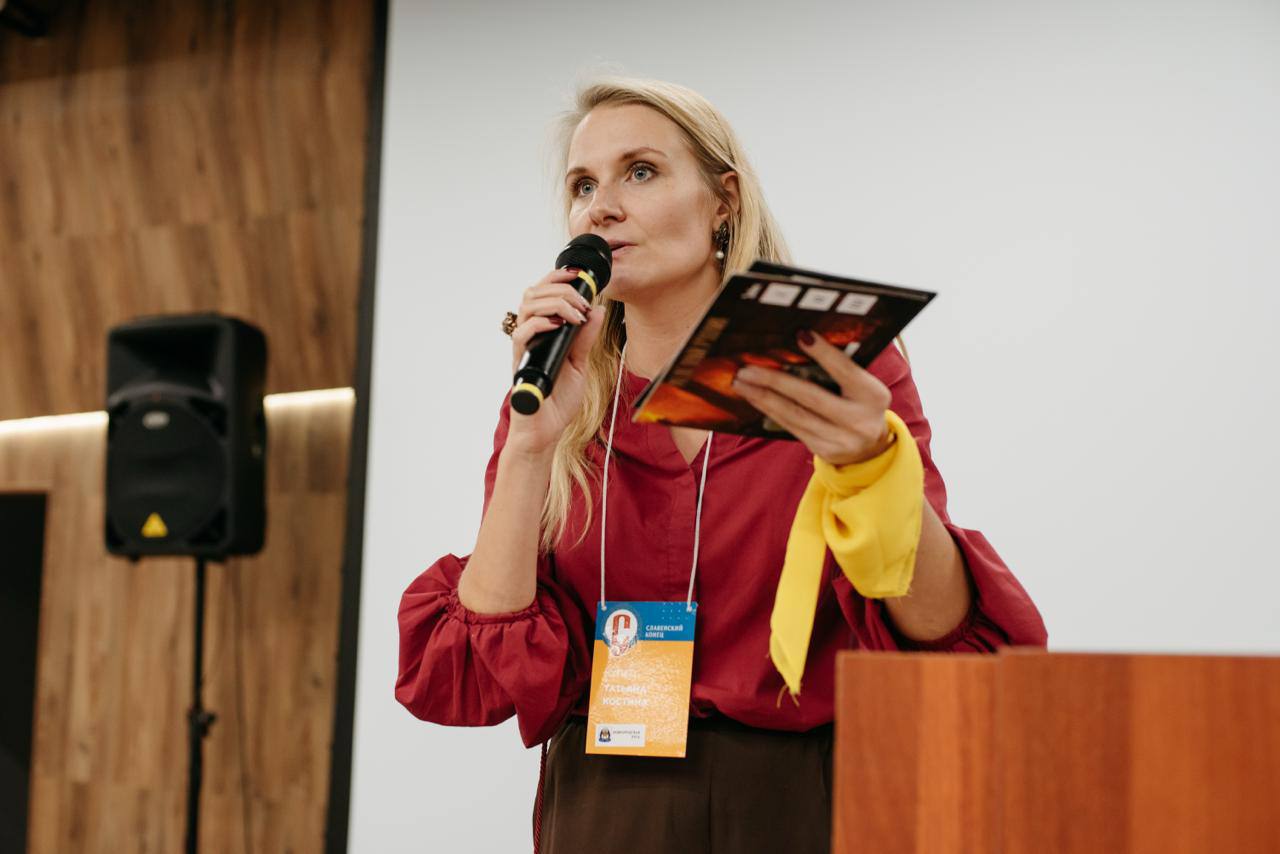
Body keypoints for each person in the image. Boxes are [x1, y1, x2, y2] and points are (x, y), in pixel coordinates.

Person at [396, 77, 1047, 853]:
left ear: (724, 201)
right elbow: (478, 671)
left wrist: (872, 468)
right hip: (607, 803)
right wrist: (530, 446)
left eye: (640, 172)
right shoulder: (555, 395)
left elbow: (945, 642)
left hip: (800, 796)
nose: (601, 208)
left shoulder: (833, 372)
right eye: (582, 185)